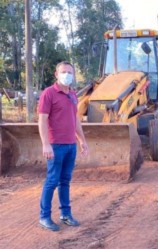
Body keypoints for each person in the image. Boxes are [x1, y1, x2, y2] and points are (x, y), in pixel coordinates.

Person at [38, 61, 89, 231]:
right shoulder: (49, 94)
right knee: (52, 181)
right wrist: (46, 145)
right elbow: (42, 120)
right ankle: (44, 217)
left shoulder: (73, 95)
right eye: (63, 71)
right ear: (56, 74)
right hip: (55, 145)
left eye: (69, 72)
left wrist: (82, 141)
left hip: (70, 146)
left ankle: (65, 214)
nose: (67, 74)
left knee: (65, 181)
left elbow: (75, 121)